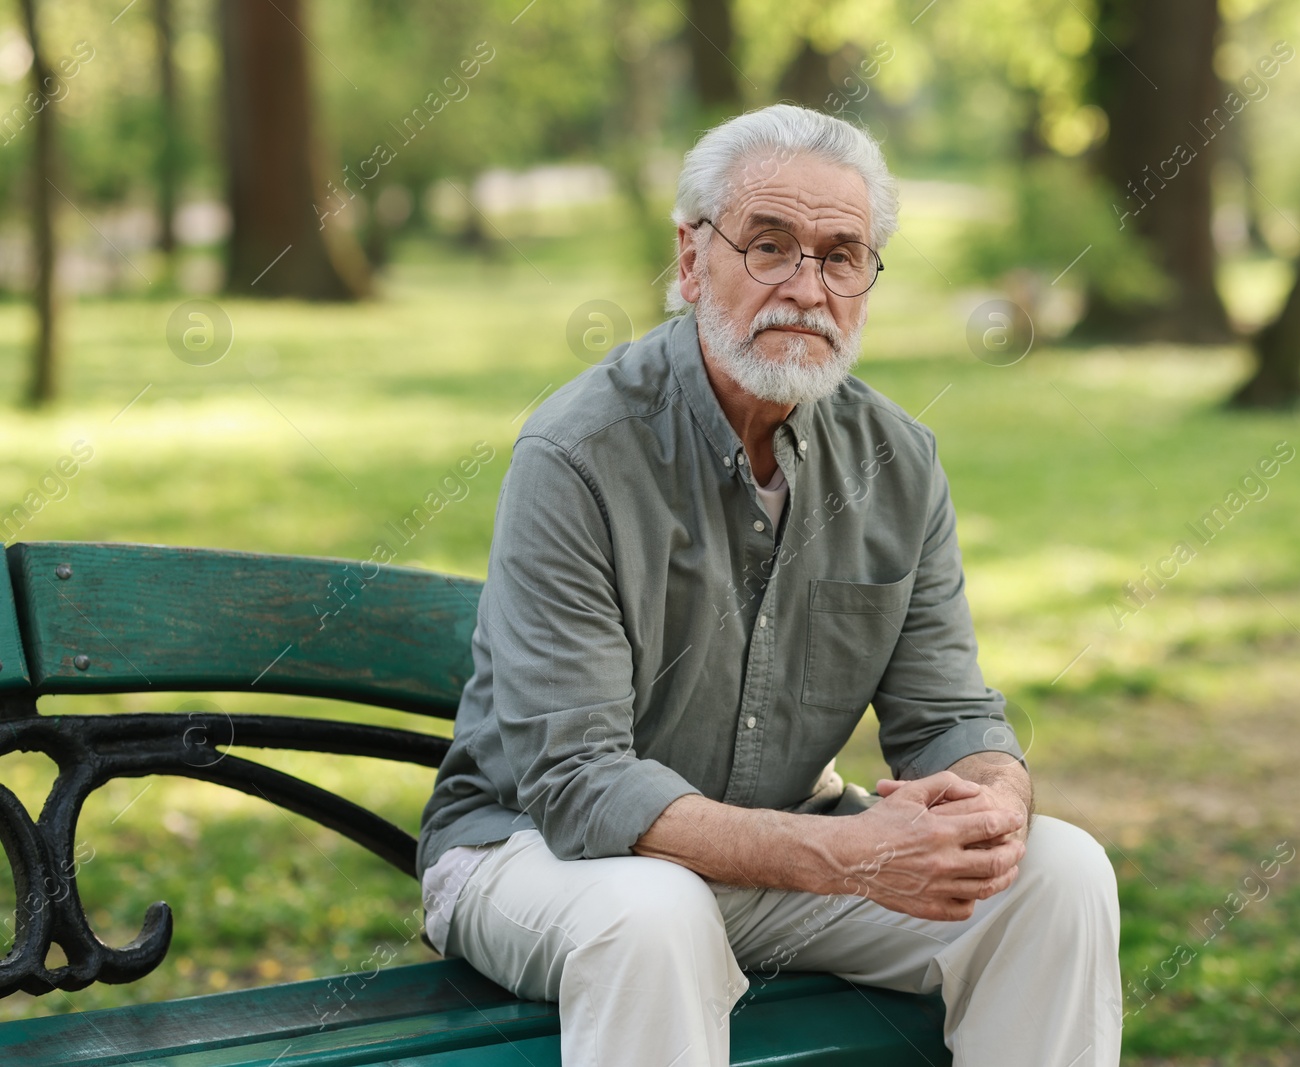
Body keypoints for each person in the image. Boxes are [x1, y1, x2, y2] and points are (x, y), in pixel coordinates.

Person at [416, 103, 1122, 1067]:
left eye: (841, 255)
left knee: (1061, 873)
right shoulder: (577, 455)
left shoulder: (899, 462)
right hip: (533, 857)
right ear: (692, 257)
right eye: (771, 245)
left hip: (776, 862)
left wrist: (993, 800)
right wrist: (855, 855)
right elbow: (579, 787)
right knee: (654, 912)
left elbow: (946, 714)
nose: (807, 287)